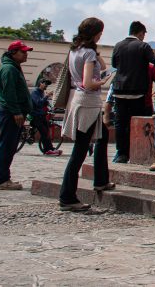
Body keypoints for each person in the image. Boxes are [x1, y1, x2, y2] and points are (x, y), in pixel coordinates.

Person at [58, 18, 115, 211]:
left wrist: (95, 52)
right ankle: (67, 197)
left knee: (102, 136)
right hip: (88, 102)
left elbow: (103, 65)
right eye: (100, 32)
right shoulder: (88, 53)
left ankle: (101, 180)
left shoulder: (76, 50)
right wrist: (104, 81)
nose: (101, 35)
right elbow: (88, 83)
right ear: (95, 33)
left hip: (79, 100)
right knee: (80, 151)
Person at [111, 20, 155, 164]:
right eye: (144, 34)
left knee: (120, 123)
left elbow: (114, 64)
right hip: (137, 92)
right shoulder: (143, 46)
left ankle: (121, 153)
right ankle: (136, 152)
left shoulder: (118, 45)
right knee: (137, 123)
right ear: (141, 33)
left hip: (119, 90)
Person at [0, 41, 34, 191]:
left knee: (9, 147)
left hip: (13, 112)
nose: (26, 54)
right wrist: (16, 111)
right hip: (11, 113)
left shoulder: (13, 68)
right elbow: (9, 93)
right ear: (13, 53)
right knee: (7, 146)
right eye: (23, 52)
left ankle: (4, 178)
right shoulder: (9, 69)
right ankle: (1, 179)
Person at [30, 78, 62, 156]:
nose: (46, 86)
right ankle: (47, 150)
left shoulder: (41, 92)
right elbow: (38, 103)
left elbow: (44, 103)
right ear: (40, 83)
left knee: (46, 132)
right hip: (36, 116)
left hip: (42, 115)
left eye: (47, 84)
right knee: (44, 133)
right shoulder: (35, 92)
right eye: (45, 84)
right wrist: (47, 96)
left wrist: (51, 106)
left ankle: (51, 148)